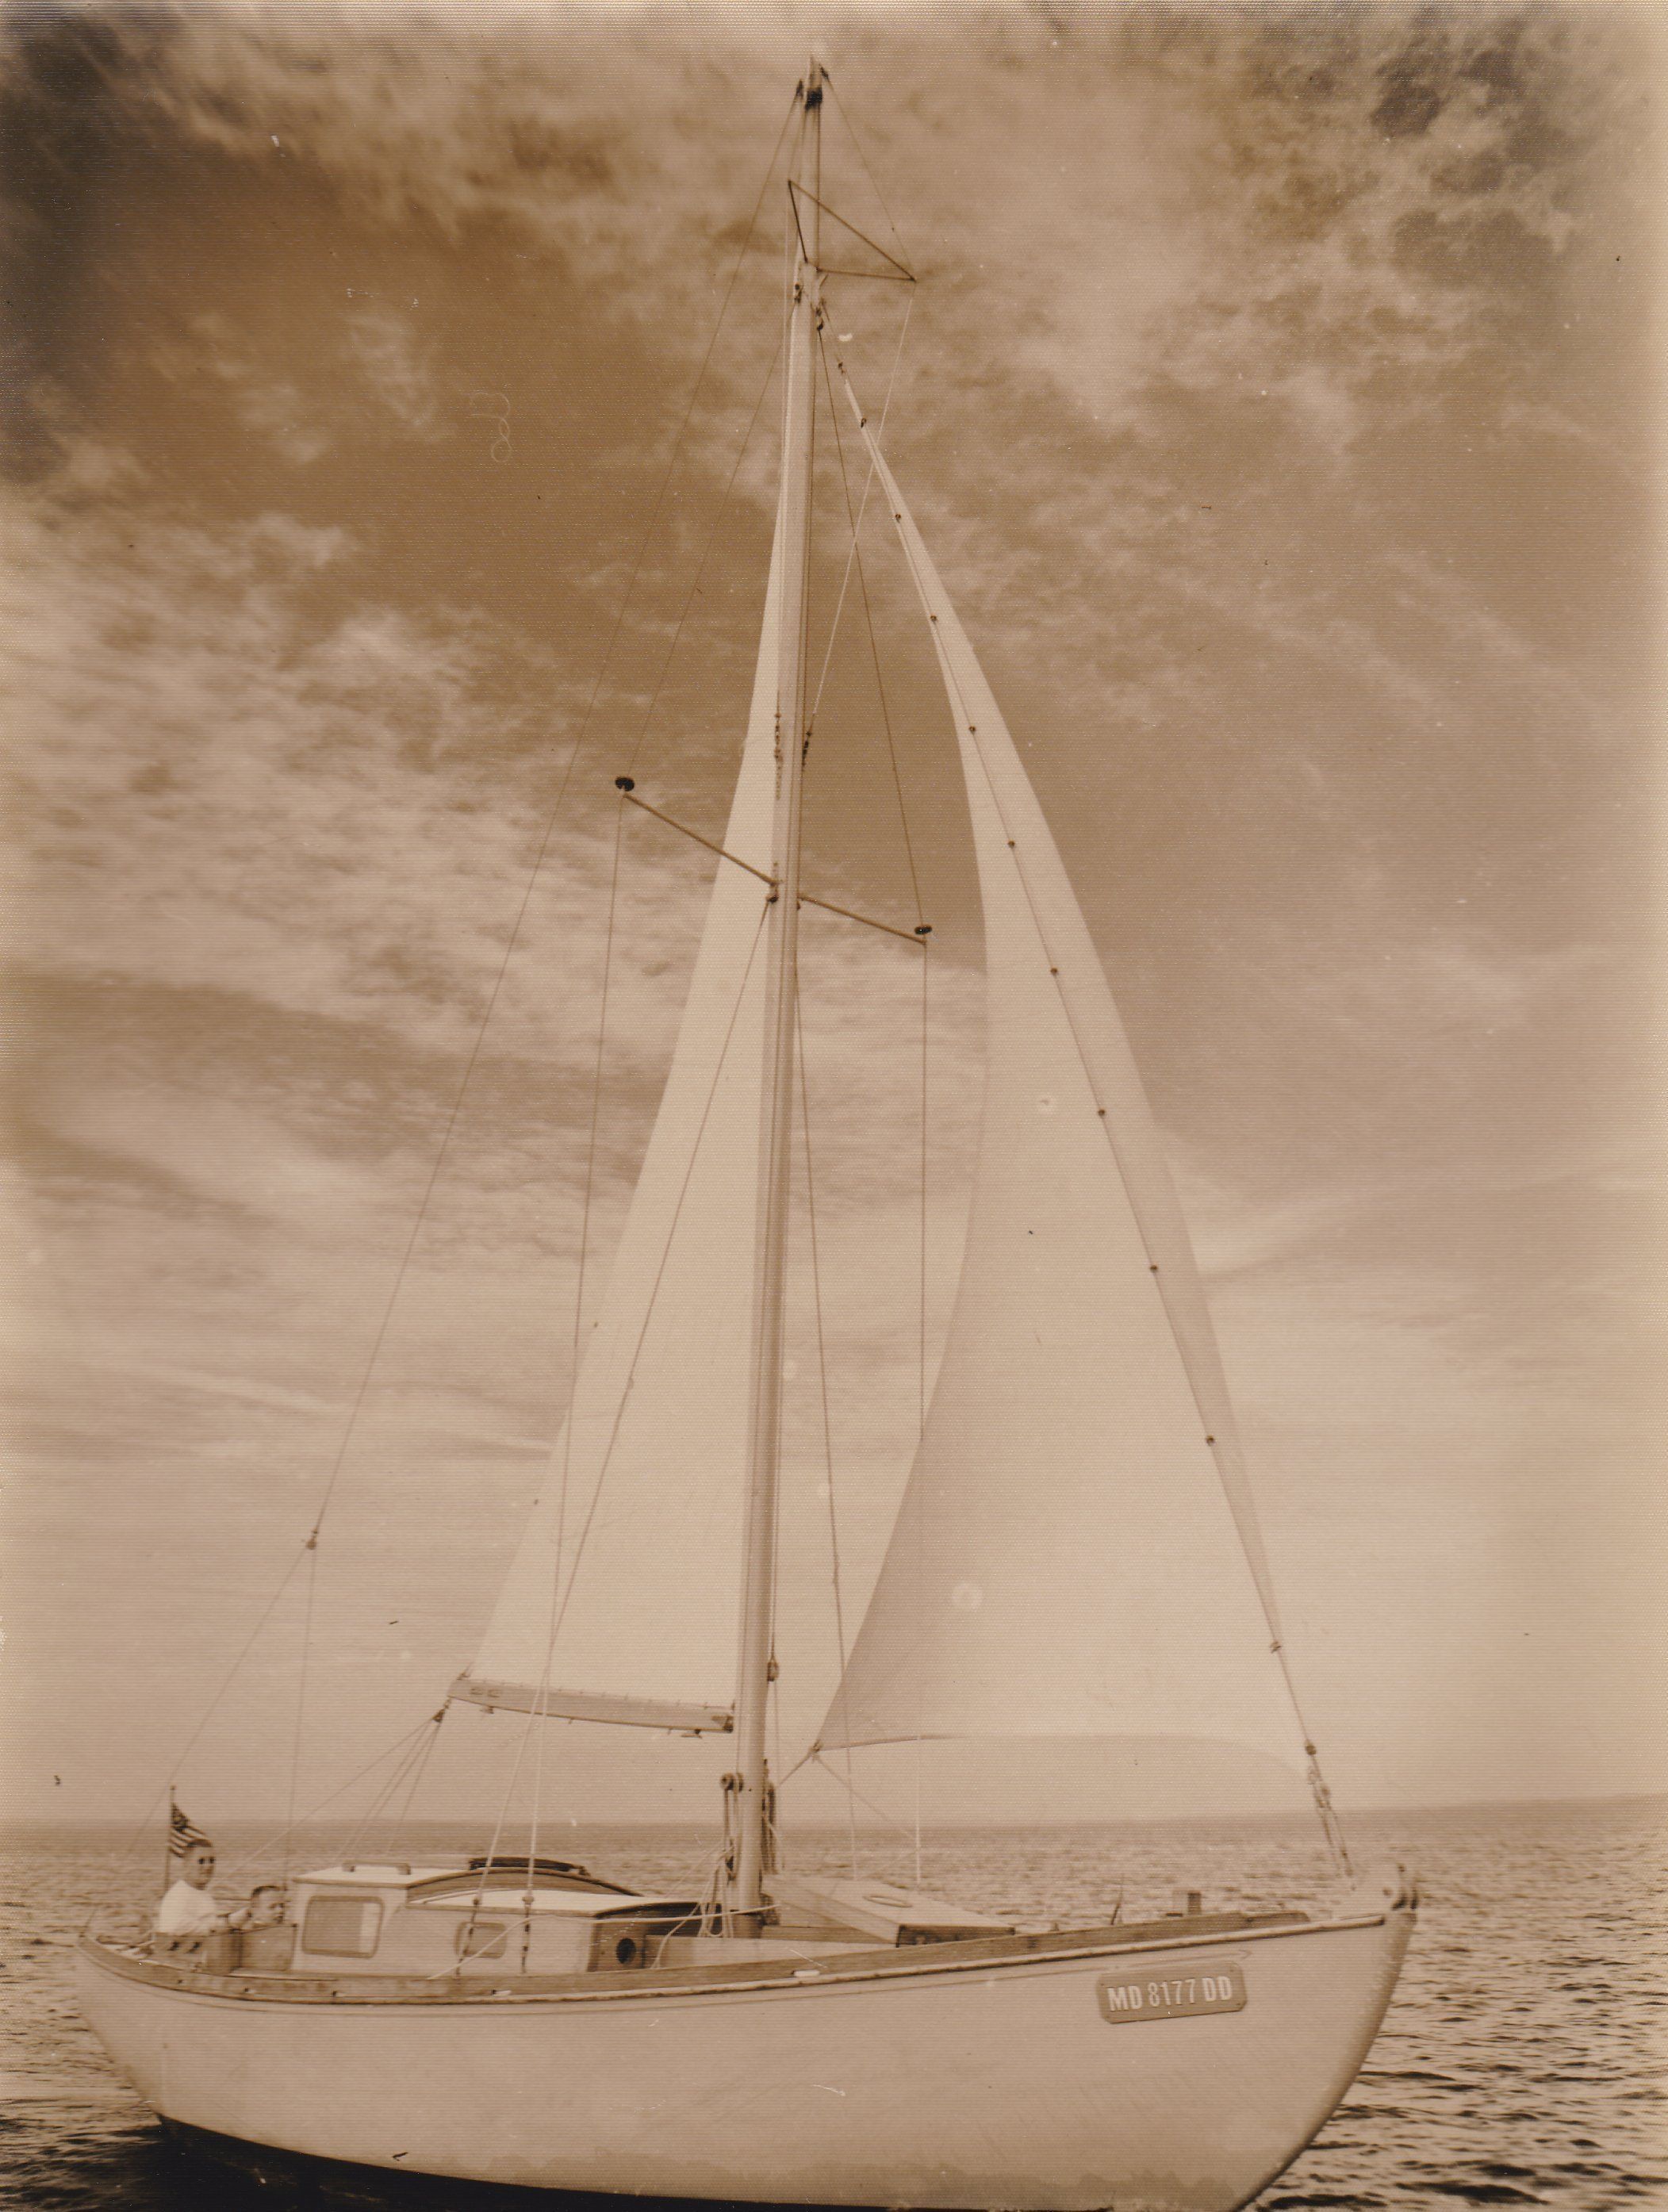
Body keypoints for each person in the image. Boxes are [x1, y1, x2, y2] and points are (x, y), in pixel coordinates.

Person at [154, 1838, 233, 1952]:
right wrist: (213, 1928)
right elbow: (175, 1926)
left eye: (212, 1861)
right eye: (201, 1861)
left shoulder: (203, 1894)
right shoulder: (178, 1894)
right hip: (177, 1957)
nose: (208, 1866)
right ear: (186, 1865)